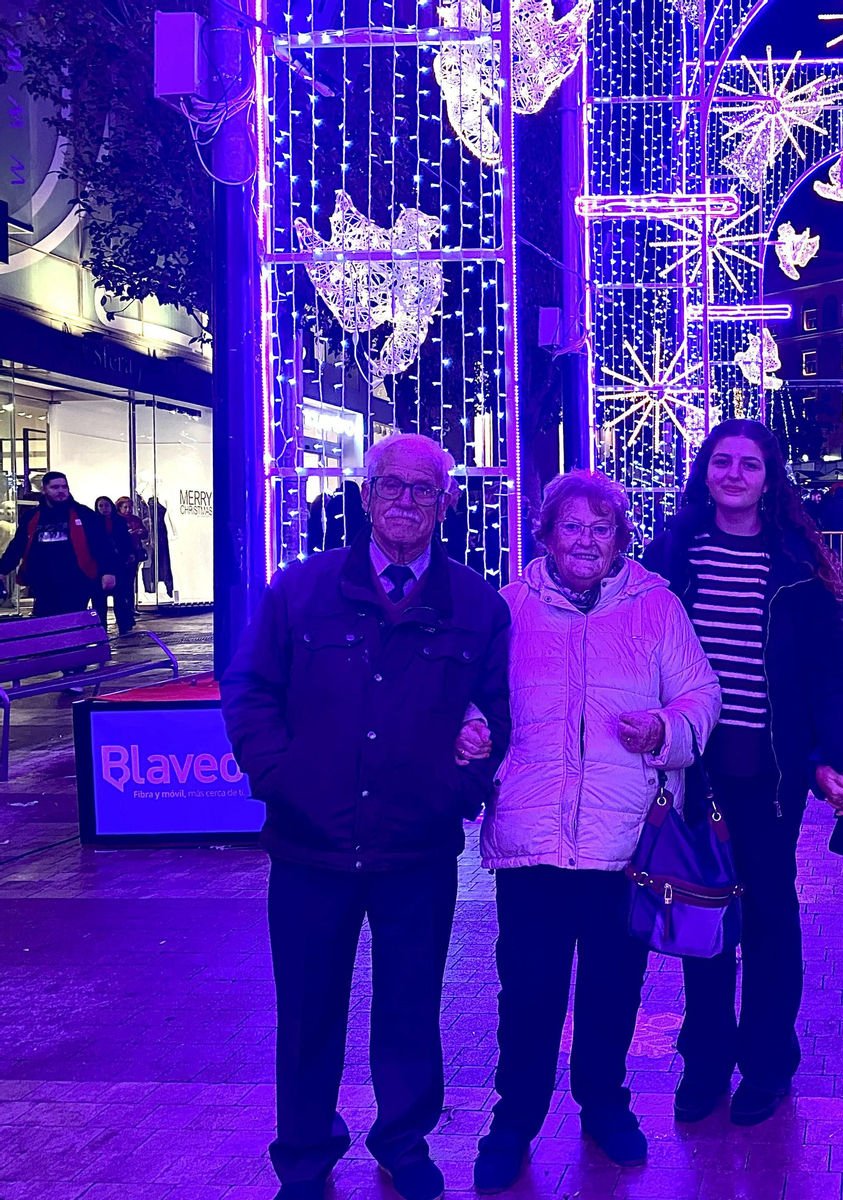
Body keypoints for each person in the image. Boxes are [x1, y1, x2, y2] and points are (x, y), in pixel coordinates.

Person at [220, 433, 512, 1200]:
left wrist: (458, 789)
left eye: (425, 489)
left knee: (411, 1009)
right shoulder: (299, 590)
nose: (407, 502)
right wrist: (283, 780)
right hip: (309, 847)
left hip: (414, 849)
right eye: (392, 486)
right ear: (365, 496)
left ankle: (404, 1143)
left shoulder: (477, 606)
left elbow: (500, 720)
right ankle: (306, 1158)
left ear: (448, 503)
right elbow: (249, 694)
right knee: (309, 1011)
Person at [466, 470, 721, 1185]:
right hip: (530, 839)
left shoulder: (656, 606)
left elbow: (702, 692)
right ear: (546, 534)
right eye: (570, 527)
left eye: (600, 528)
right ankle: (513, 1118)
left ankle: (605, 1105)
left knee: (614, 986)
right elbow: (477, 698)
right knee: (528, 989)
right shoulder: (508, 608)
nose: (585, 540)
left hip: (624, 839)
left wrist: (667, 727)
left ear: (619, 540)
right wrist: (473, 730)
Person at [642, 418, 843, 1127]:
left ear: (769, 480)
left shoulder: (796, 560)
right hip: (692, 768)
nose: (734, 473)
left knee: (770, 914)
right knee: (702, 909)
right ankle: (705, 1062)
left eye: (748, 464)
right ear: (705, 473)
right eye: (721, 462)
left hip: (768, 773)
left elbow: (830, 670)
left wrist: (840, 754)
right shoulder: (675, 551)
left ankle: (768, 1062)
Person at [0, 471, 116, 618]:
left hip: (77, 580)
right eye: (55, 487)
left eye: (64, 487)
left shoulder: (84, 514)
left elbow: (103, 544)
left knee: (73, 621)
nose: (61, 491)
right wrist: (3, 570)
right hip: (43, 581)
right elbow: (18, 546)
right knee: (47, 622)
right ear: (44, 489)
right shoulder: (31, 517)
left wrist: (108, 571)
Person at [92, 496, 138, 635]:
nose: (104, 509)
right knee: (99, 599)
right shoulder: (94, 522)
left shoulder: (119, 521)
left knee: (121, 596)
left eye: (106, 505)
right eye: (101, 506)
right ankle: (101, 629)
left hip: (119, 562)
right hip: (100, 564)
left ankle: (124, 625)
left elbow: (125, 539)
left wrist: (130, 553)